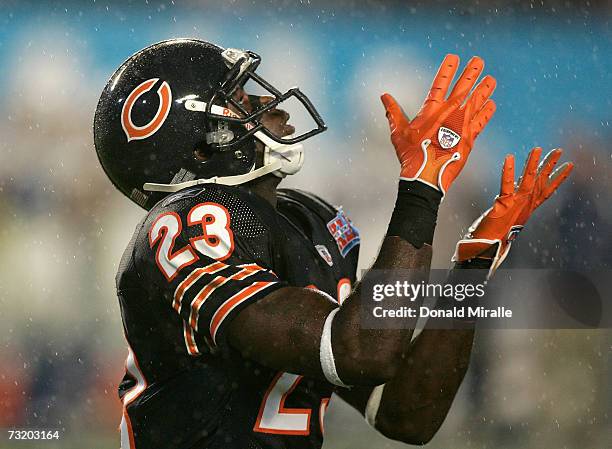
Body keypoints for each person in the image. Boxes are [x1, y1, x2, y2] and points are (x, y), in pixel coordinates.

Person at [93, 38, 573, 449]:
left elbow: (406, 413)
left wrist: (473, 266)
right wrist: (422, 189)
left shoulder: (308, 220)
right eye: (240, 98)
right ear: (199, 146)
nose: (274, 106)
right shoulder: (190, 224)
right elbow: (362, 350)